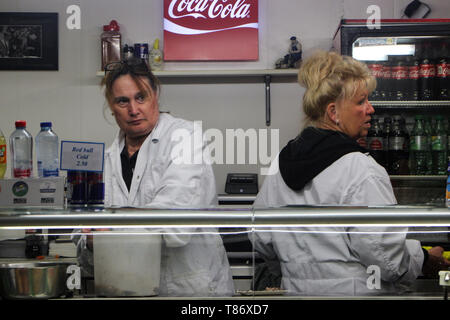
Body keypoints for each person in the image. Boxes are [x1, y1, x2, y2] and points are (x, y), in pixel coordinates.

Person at [253, 50, 450, 296]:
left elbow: (261, 239)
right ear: (333, 112)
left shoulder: (279, 166)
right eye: (361, 102)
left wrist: (298, 270)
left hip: (297, 293)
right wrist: (423, 258)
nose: (371, 109)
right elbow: (387, 260)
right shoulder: (360, 169)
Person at [73, 57, 234, 297]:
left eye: (141, 97)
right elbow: (82, 240)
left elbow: (174, 227)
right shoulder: (106, 159)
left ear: (155, 96)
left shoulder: (184, 137)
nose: (134, 110)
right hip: (126, 288)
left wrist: (108, 236)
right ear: (111, 106)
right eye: (122, 101)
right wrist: (89, 242)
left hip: (188, 292)